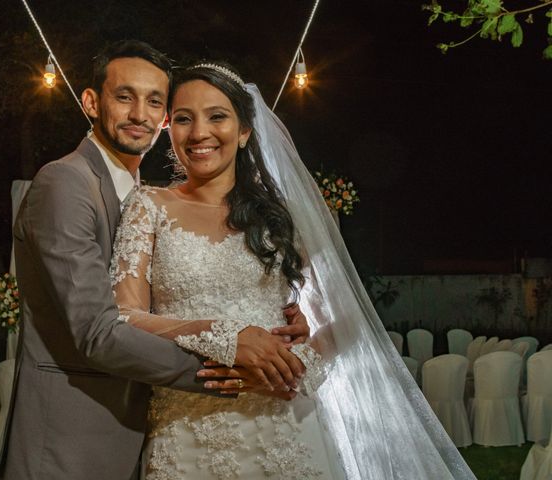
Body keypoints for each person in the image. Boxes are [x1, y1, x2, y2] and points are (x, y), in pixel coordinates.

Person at [110, 62, 478, 479]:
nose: (199, 133)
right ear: (167, 128)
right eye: (183, 118)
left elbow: (345, 320)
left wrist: (292, 367)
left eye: (217, 116)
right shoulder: (148, 208)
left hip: (285, 424)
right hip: (186, 426)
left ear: (245, 130)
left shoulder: (281, 216)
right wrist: (227, 337)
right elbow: (124, 317)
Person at [0, 41, 305, 480]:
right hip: (72, 439)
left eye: (154, 102)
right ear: (90, 102)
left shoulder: (143, 195)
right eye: (124, 96)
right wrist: (227, 362)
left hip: (147, 431)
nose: (139, 113)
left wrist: (287, 316)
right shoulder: (66, 183)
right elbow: (98, 332)